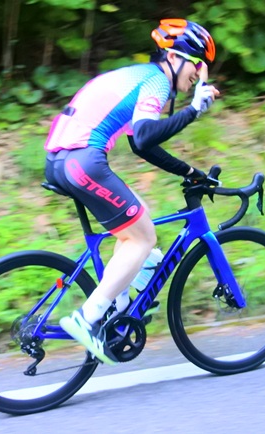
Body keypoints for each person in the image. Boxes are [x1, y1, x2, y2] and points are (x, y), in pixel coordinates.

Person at [44, 18, 220, 365]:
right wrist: (194, 110)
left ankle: (120, 305)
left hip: (65, 160)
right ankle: (88, 317)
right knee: (143, 239)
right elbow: (144, 135)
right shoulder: (156, 81)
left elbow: (142, 146)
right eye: (197, 63)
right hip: (82, 159)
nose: (200, 74)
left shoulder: (141, 77)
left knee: (140, 218)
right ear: (173, 58)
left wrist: (189, 172)